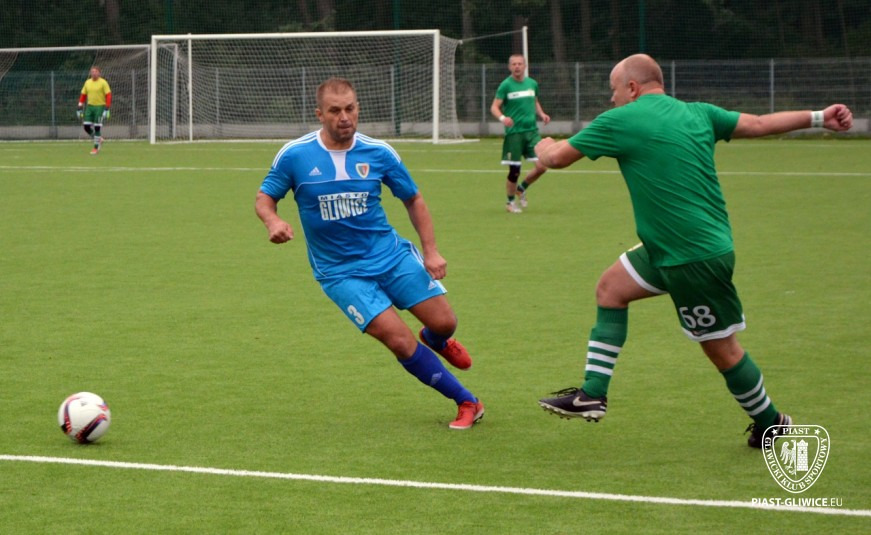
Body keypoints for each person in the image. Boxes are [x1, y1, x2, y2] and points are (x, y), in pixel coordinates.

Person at [534, 54, 853, 448]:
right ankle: (592, 394)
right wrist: (819, 117)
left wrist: (543, 145)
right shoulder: (699, 113)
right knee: (611, 289)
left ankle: (772, 424)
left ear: (632, 88)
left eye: (613, 90)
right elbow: (757, 124)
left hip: (691, 258)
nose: (611, 99)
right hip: (670, 248)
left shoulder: (620, 119)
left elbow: (556, 159)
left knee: (722, 350)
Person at [255, 78, 484, 430]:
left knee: (444, 322)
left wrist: (431, 251)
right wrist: (273, 221)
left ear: (358, 108)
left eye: (350, 108)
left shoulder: (379, 152)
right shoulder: (295, 155)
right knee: (399, 340)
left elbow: (413, 198)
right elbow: (265, 198)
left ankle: (436, 339)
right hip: (340, 272)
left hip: (390, 256)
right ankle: (467, 401)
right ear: (319, 114)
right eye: (335, 111)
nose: (344, 117)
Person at [490, 54, 551, 213]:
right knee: (514, 171)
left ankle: (521, 188)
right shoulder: (505, 85)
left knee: (542, 166)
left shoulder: (532, 84)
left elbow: (534, 101)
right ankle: (510, 203)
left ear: (525, 66)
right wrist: (503, 118)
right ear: (509, 67)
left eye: (519, 64)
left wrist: (541, 113)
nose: (517, 66)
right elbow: (494, 107)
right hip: (514, 134)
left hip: (532, 132)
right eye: (514, 64)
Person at [77, 66, 112, 155]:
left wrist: (107, 108)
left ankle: (96, 148)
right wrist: (79, 106)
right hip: (90, 107)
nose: (94, 73)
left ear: (99, 73)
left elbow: (108, 95)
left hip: (100, 107)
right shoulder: (87, 82)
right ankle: (99, 139)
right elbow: (83, 95)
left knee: (97, 127)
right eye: (92, 71)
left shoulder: (103, 82)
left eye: (96, 71)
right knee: (86, 126)